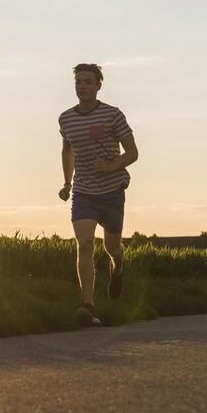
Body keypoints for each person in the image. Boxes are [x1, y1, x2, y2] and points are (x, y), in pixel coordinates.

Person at [57, 63, 139, 325]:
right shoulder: (66, 118)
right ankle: (89, 306)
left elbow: (132, 152)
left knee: (111, 246)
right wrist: (67, 183)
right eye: (78, 82)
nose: (82, 86)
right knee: (85, 244)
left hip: (112, 190)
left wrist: (110, 166)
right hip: (83, 192)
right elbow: (67, 151)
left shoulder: (113, 115)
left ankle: (118, 267)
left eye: (88, 82)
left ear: (98, 85)